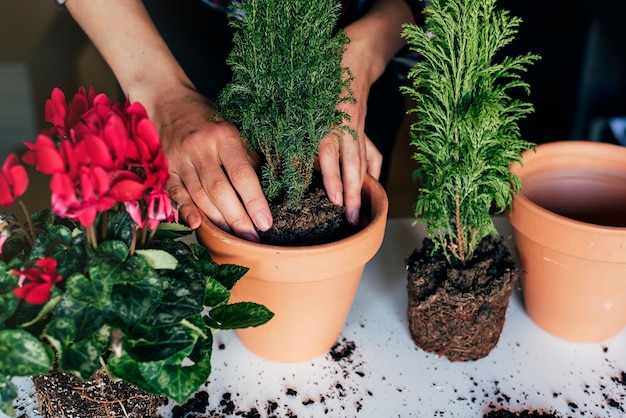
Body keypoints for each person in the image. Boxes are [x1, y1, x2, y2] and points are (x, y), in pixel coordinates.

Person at [53, 0, 420, 242]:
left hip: (353, 48)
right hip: (162, 40)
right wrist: (156, 88)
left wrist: (372, 42)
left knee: (342, 184)